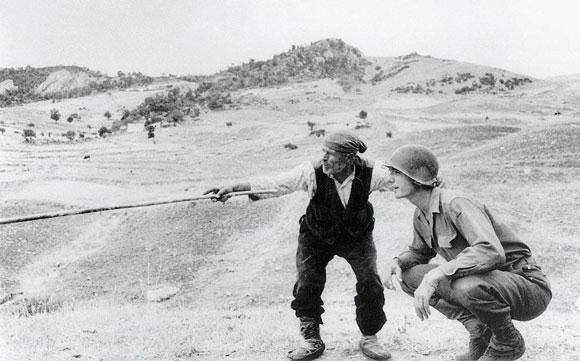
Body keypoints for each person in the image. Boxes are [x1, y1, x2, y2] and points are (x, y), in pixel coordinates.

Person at [204, 130, 393, 360]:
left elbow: (403, 178)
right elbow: (275, 184)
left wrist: (430, 182)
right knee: (307, 282)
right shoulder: (311, 172)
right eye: (323, 152)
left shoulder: (373, 172)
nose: (323, 159)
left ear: (349, 159)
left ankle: (369, 337)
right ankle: (311, 339)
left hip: (356, 235)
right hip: (317, 235)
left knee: (370, 281)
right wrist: (233, 189)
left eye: (330, 154)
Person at [383, 144, 551, 361]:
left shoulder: (455, 203)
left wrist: (437, 273)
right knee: (409, 275)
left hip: (527, 286)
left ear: (417, 177)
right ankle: (479, 331)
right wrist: (397, 261)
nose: (389, 179)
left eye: (396, 173)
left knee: (465, 285)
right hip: (487, 285)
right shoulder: (421, 214)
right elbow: (418, 254)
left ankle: (507, 342)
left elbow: (491, 251)